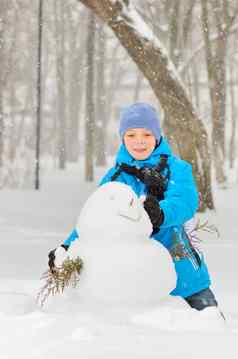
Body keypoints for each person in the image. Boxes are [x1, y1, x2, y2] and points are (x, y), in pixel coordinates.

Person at [48, 102, 219, 312]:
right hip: (138, 279)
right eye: (131, 135)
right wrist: (67, 247)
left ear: (156, 137)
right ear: (122, 138)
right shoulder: (115, 177)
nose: (139, 141)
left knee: (209, 331)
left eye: (146, 134)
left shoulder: (177, 169)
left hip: (184, 276)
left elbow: (185, 202)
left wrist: (161, 213)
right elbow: (95, 220)